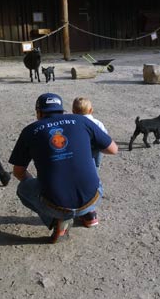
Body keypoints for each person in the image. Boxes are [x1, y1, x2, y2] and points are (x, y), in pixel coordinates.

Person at [9, 92, 118, 243]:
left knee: (24, 189)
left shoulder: (30, 131)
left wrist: (42, 182)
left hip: (56, 204)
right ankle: (88, 213)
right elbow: (113, 150)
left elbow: (18, 172)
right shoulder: (81, 120)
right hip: (93, 196)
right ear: (62, 111)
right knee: (90, 160)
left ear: (38, 113)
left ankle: (58, 220)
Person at [72, 96, 107, 170]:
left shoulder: (72, 123)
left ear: (73, 111)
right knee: (96, 165)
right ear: (91, 110)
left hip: (81, 150)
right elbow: (105, 136)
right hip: (96, 148)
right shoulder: (97, 123)